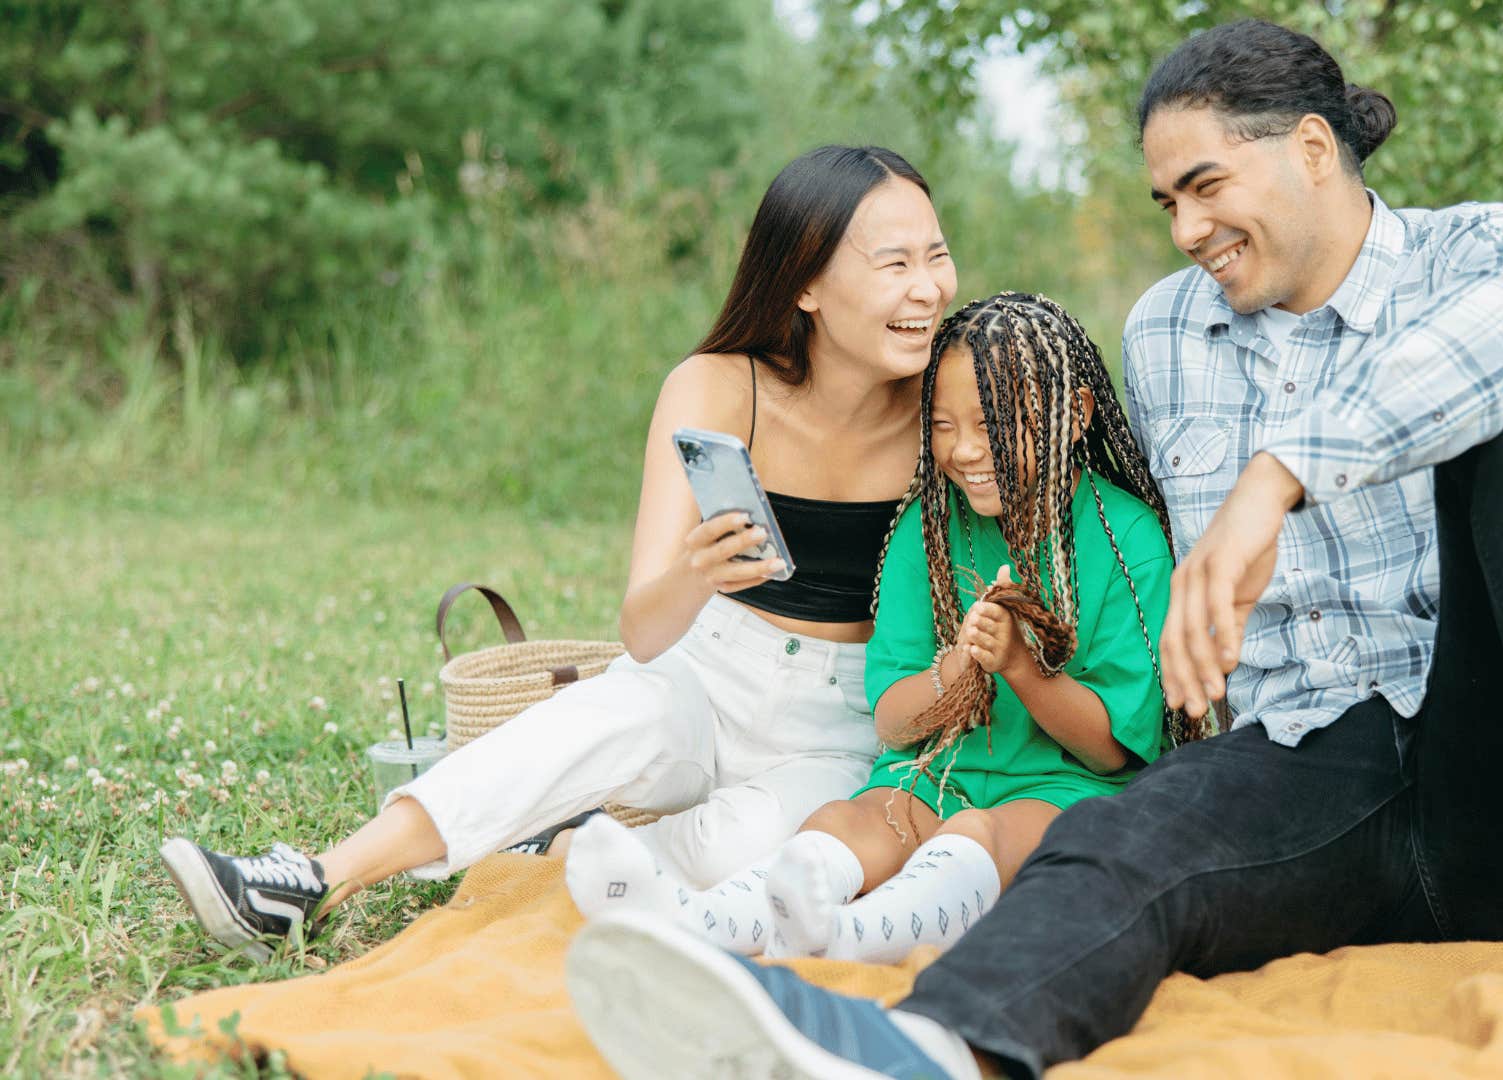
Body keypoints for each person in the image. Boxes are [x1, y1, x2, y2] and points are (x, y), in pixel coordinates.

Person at [556, 20, 1503, 1080]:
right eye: (1166, 199)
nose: (1186, 229)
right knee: (1111, 838)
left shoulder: (1485, 254)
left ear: (1313, 148)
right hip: (1310, 763)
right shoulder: (1171, 330)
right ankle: (920, 1050)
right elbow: (1088, 518)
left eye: (1206, 186)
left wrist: (1278, 477)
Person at [157, 144, 960, 963]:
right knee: (592, 723)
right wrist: (695, 573)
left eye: (936, 255)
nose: (927, 287)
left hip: (839, 725)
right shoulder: (719, 385)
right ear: (805, 283)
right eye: (893, 262)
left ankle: (568, 853)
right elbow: (645, 634)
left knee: (733, 862)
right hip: (707, 668)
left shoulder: (947, 413)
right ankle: (309, 881)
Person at [561, 292, 1185, 967]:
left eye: (992, 422)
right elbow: (892, 723)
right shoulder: (929, 532)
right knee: (854, 821)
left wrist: (1019, 668)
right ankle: (710, 918)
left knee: (980, 833)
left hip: (1066, 793)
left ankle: (847, 939)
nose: (966, 449)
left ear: (1076, 415)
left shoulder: (1129, 540)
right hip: (930, 776)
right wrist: (958, 670)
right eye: (943, 424)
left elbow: (1110, 753)